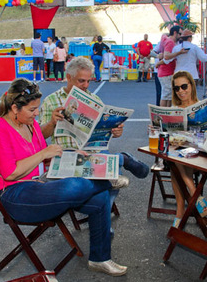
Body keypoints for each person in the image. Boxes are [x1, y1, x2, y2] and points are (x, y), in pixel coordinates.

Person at [0, 78, 128, 277]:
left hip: (41, 183)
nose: (36, 114)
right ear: (15, 108)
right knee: (76, 187)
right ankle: (105, 181)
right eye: (32, 109)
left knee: (99, 199)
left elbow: (47, 154)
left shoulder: (30, 124)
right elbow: (11, 172)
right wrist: (44, 154)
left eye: (37, 108)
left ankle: (100, 259)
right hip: (16, 195)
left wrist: (72, 154)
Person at [39, 57, 149, 206]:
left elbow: (105, 131)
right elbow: (41, 136)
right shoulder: (51, 101)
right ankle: (123, 159)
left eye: (88, 81)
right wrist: (52, 122)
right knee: (111, 173)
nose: (86, 85)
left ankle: (103, 216)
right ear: (69, 77)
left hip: (93, 151)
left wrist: (115, 131)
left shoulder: (94, 99)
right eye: (81, 81)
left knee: (111, 171)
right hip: (66, 154)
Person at [169, 71, 207, 227]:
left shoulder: (202, 106)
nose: (181, 91)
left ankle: (180, 211)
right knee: (175, 155)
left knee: (175, 162)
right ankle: (194, 192)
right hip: (181, 151)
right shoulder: (175, 107)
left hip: (199, 150)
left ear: (191, 86)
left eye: (184, 86)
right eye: (177, 88)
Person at [158, 25, 185, 107]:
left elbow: (162, 55)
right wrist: (179, 53)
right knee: (166, 95)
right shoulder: (170, 42)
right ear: (175, 33)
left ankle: (167, 114)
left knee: (169, 96)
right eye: (180, 34)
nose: (181, 36)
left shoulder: (166, 40)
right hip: (166, 72)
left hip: (166, 72)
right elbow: (166, 56)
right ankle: (162, 114)